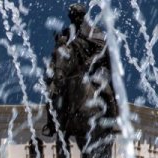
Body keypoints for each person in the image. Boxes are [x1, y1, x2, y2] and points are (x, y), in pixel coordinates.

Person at [43, 3, 116, 137]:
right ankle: (51, 124)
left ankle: (113, 122)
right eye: (72, 16)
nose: (74, 19)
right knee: (52, 92)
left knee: (107, 91)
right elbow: (58, 54)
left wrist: (91, 61)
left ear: (82, 16)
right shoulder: (66, 34)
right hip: (72, 73)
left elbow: (103, 49)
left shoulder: (93, 32)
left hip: (94, 70)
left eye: (77, 16)